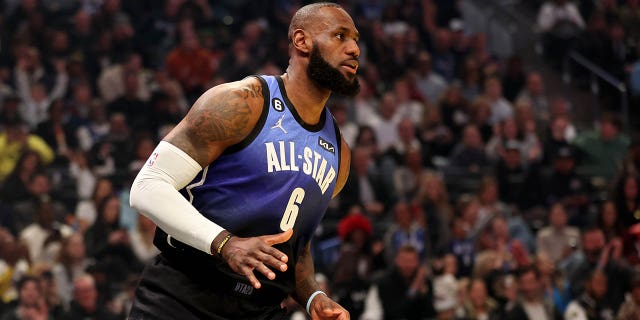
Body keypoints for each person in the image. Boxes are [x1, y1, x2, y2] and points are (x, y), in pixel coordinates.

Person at [128, 3, 357, 319]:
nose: (354, 49)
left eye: (356, 40)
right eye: (341, 36)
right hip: (183, 296)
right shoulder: (242, 103)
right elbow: (148, 187)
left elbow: (295, 247)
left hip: (259, 309)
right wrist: (225, 243)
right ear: (302, 41)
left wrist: (312, 297)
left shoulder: (339, 153)